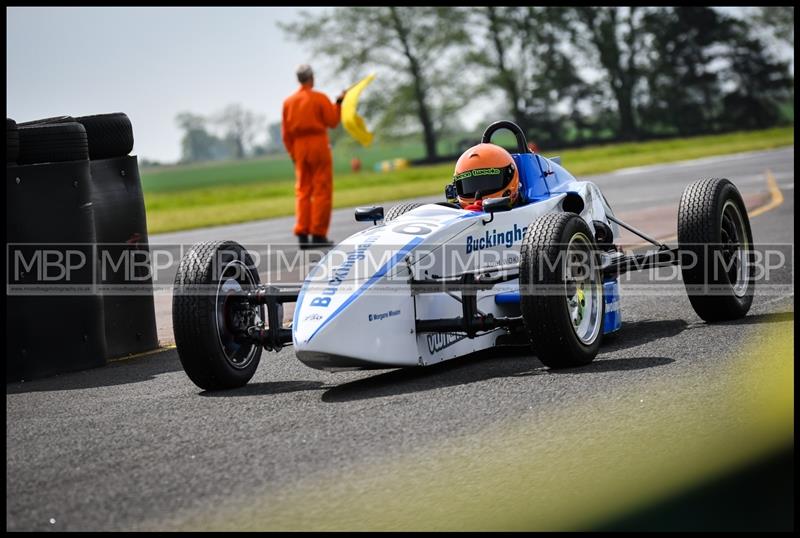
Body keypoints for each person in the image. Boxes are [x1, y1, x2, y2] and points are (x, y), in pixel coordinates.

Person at [281, 64, 345, 249]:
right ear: (312, 78)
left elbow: (285, 133)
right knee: (322, 189)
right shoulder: (319, 98)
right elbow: (332, 121)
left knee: (302, 190)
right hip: (318, 145)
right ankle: (318, 234)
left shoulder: (288, 102)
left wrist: (292, 153)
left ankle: (302, 232)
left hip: (299, 148)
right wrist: (339, 103)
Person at [451, 143, 521, 211]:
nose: (477, 196)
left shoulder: (529, 215)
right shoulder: (453, 213)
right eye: (470, 185)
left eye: (487, 182)